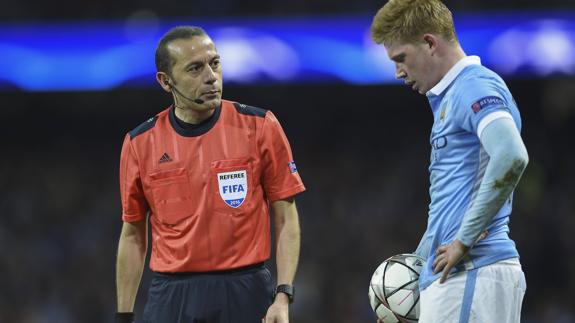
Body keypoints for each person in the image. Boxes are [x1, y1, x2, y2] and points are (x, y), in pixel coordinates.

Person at [115, 26, 305, 323]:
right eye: (195, 68)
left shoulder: (260, 126)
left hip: (245, 289)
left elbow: (285, 217)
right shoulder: (139, 143)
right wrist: (123, 316)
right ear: (166, 82)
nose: (210, 76)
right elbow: (132, 235)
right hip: (171, 296)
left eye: (214, 63)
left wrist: (283, 295)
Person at [370, 1, 529, 322]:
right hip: (462, 275)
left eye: (401, 58)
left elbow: (512, 156)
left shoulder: (473, 86)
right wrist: (412, 277)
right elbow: (447, 211)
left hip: (471, 271)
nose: (398, 72)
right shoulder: (452, 96)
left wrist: (464, 240)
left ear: (429, 43)